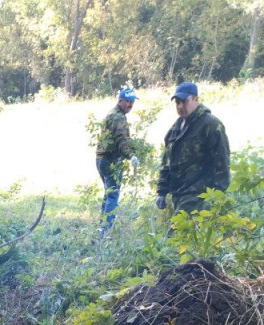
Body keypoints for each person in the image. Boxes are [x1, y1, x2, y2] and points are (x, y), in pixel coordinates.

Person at [156, 81, 230, 215]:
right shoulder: (176, 128)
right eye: (177, 102)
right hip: (178, 194)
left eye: (184, 101)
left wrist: (218, 195)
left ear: (195, 99)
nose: (180, 106)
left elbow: (222, 161)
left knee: (175, 235)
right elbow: (167, 160)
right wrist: (161, 192)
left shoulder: (211, 124)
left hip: (199, 195)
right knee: (188, 235)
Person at [95, 86, 140, 234]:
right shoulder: (119, 117)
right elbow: (121, 140)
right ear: (120, 101)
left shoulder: (112, 113)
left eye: (132, 102)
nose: (130, 105)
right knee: (113, 195)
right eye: (127, 102)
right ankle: (106, 231)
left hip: (101, 159)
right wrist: (131, 155)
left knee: (109, 193)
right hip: (110, 160)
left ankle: (101, 226)